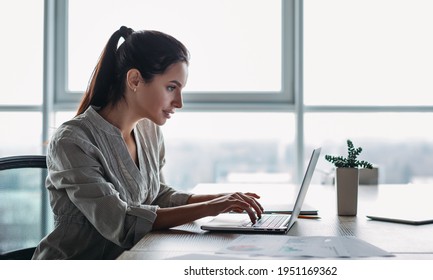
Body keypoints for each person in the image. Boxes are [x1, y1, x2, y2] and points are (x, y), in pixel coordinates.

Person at [32, 26, 263, 259]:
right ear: (134, 80)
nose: (179, 102)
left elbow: (157, 196)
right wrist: (210, 208)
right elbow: (122, 224)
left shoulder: (148, 130)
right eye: (171, 87)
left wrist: (224, 200)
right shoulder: (73, 141)